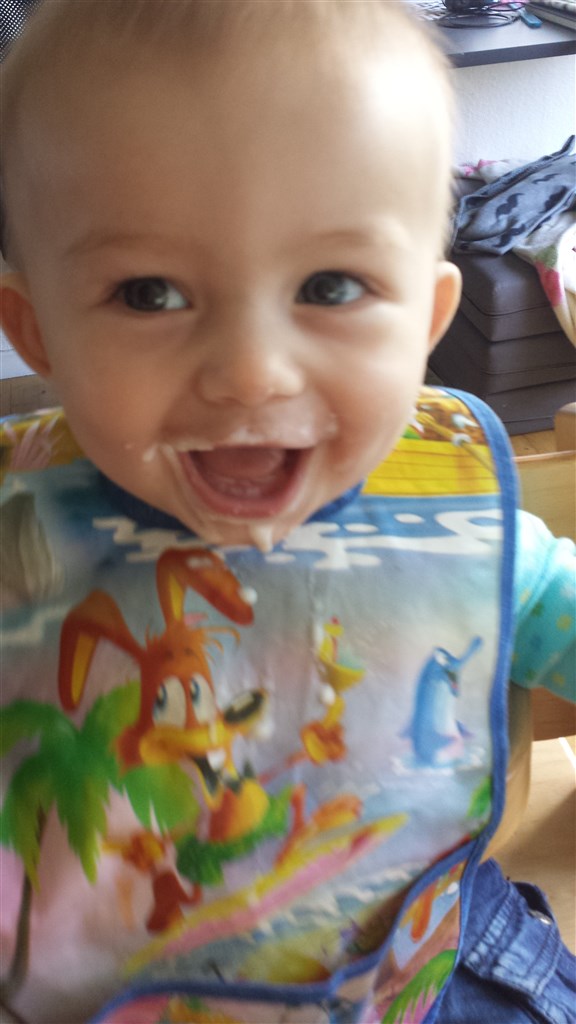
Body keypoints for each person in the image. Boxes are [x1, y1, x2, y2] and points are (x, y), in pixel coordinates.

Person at [0, 2, 573, 1022]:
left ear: (427, 319)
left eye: (331, 284)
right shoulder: (18, 530)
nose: (251, 372)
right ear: (36, 330)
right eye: (149, 293)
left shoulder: (459, 528)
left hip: (410, 973)